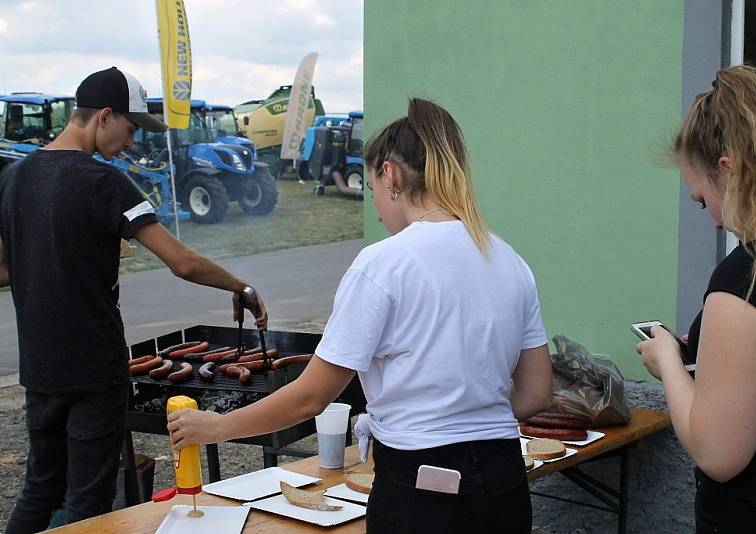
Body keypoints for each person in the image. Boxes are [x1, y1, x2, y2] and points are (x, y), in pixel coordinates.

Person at [167, 98, 552, 533]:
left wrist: (218, 427)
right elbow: (536, 392)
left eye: (373, 193)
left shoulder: (383, 264)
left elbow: (311, 397)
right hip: (505, 479)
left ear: (391, 175)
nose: (378, 211)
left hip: (422, 488)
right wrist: (474, 417)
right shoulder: (507, 259)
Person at [0, 66, 267, 534]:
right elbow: (181, 261)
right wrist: (239, 286)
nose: (130, 143)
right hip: (94, 368)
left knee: (39, 488)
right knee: (89, 500)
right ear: (104, 116)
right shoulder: (105, 183)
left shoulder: (13, 176)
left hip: (39, 368)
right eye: (130, 129)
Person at [637, 65, 756, 533]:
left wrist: (669, 359)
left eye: (700, 198)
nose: (712, 220)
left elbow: (719, 454)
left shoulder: (747, 278)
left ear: (727, 169)